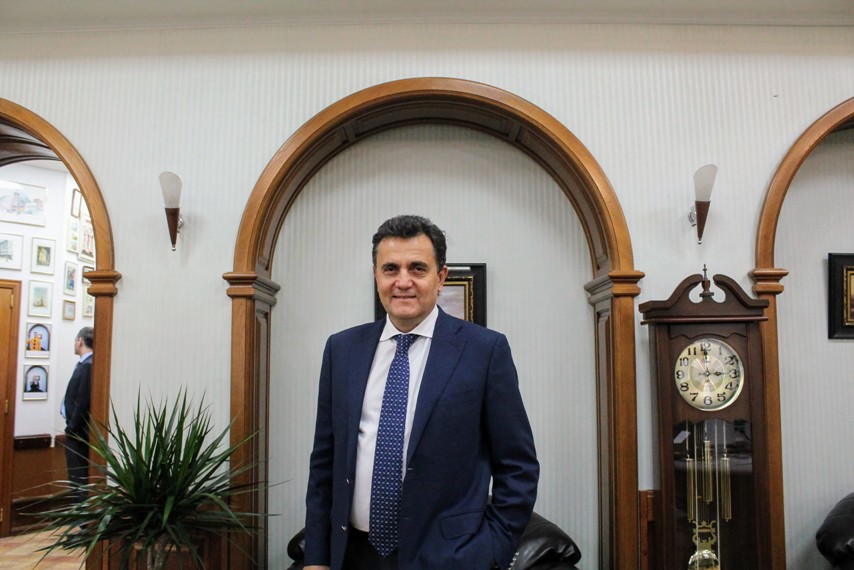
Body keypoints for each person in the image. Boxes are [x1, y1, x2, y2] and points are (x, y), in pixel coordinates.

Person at [304, 215, 539, 570]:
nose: (403, 282)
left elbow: (518, 466)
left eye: (417, 268)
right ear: (376, 276)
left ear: (440, 277)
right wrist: (317, 558)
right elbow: (324, 464)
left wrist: (490, 552)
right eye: (390, 269)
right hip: (352, 555)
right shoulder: (342, 350)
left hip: (449, 559)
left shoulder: (484, 351)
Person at [61, 326, 94, 501]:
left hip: (78, 433)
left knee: (78, 480)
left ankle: (82, 515)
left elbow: (83, 401)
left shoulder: (88, 365)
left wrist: (71, 428)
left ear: (80, 341)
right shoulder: (84, 363)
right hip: (76, 430)